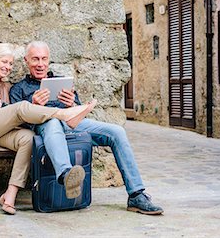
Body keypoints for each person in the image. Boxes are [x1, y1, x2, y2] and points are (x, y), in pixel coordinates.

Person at [9, 41, 164, 215]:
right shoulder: (18, 89)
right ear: (26, 61)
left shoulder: (61, 82)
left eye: (44, 59)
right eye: (35, 59)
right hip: (47, 126)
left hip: (72, 123)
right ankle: (66, 174)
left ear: (49, 60)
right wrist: (34, 105)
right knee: (52, 121)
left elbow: (80, 113)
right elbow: (17, 121)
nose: (40, 64)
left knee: (116, 132)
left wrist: (72, 103)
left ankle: (136, 194)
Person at [0, 42, 96, 215]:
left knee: (28, 138)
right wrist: (2, 110)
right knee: (20, 107)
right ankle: (64, 115)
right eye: (4, 62)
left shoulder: (8, 87)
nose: (8, 67)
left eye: (10, 63)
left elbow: (13, 119)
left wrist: (9, 112)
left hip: (0, 132)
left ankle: (10, 195)